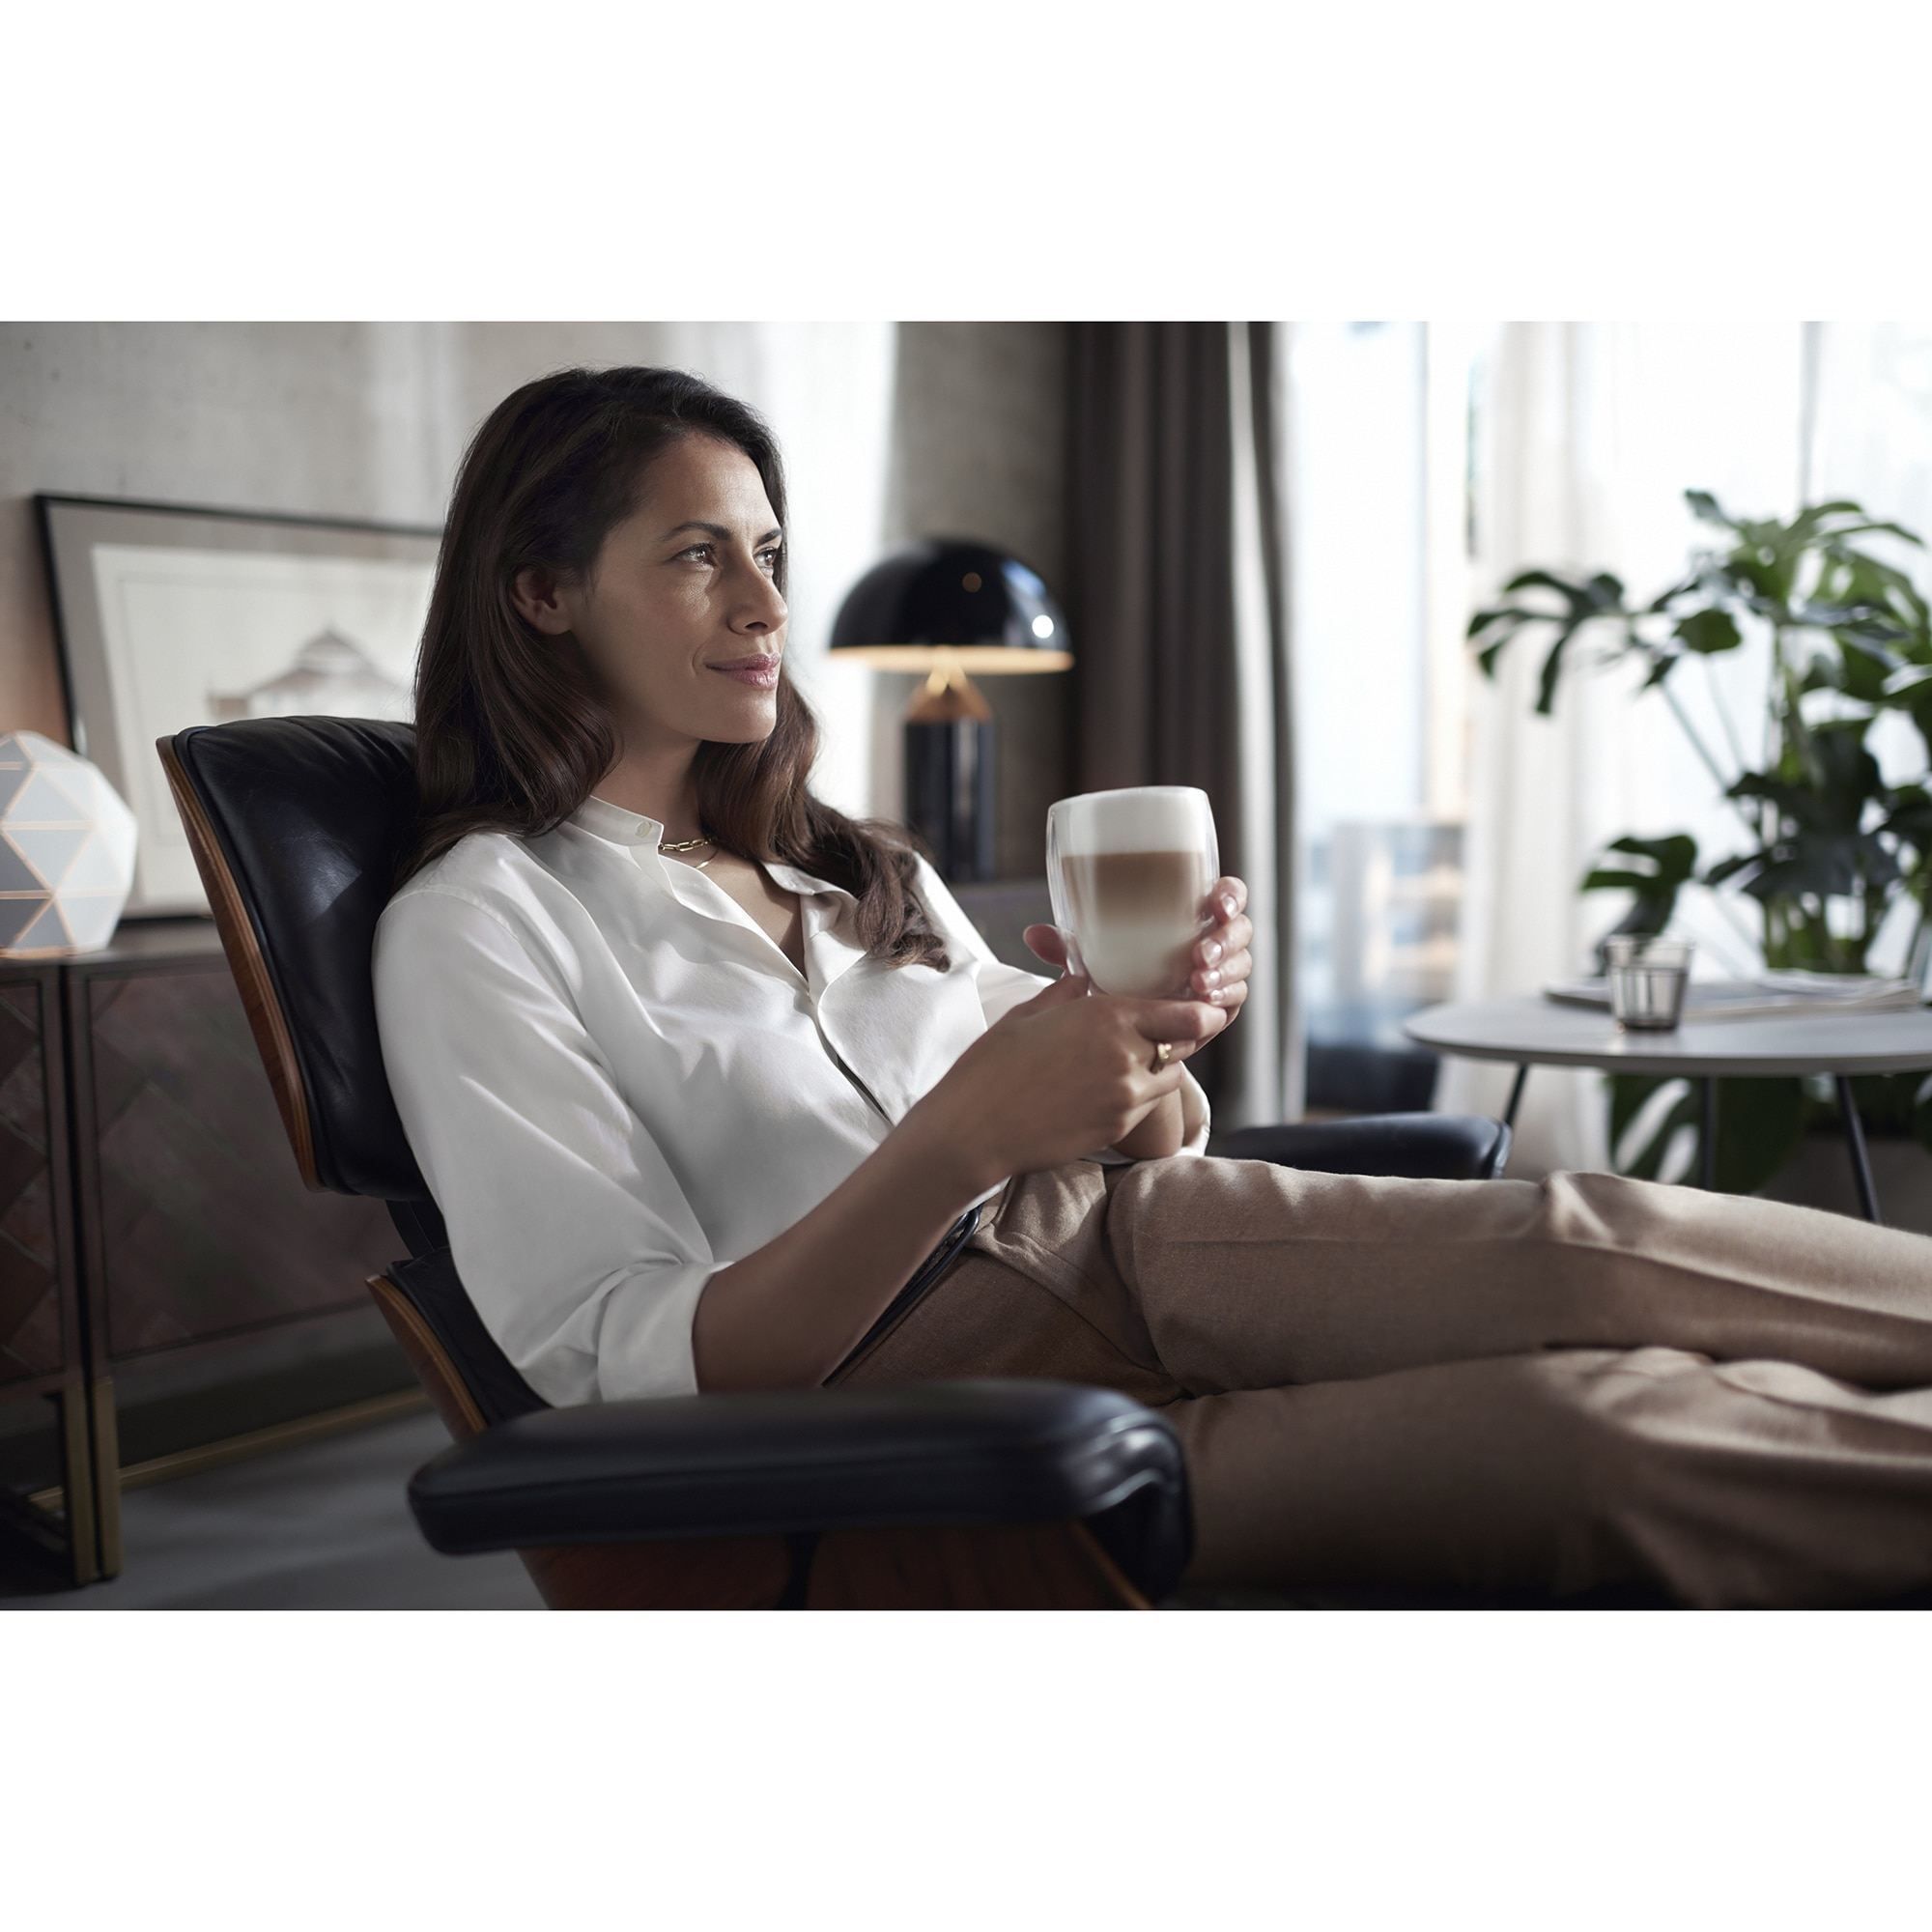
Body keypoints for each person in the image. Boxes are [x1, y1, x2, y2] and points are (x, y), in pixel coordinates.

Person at [372, 363, 1932, 1610]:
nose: (767, 606)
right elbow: (628, 1361)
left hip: (1135, 1235)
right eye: (698, 555)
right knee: (1599, 1433)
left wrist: (1148, 1042)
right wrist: (968, 1136)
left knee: (1600, 1251)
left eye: (768, 554)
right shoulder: (483, 924)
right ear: (543, 593)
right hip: (930, 1404)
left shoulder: (851, 873)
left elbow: (1150, 1140)